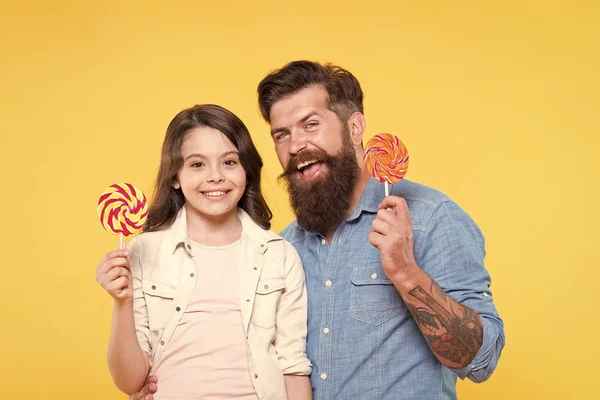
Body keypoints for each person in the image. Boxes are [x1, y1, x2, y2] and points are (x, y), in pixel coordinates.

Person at [132, 61, 505, 400]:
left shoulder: (430, 218)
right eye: (281, 135)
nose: (297, 146)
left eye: (311, 124)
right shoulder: (281, 247)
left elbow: (481, 361)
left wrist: (406, 273)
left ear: (355, 127)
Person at [95, 104, 312, 400]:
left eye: (229, 162)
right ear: (175, 176)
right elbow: (129, 381)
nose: (215, 177)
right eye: (197, 164)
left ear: (246, 170)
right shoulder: (143, 252)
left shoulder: (279, 255)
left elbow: (293, 367)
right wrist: (122, 302)